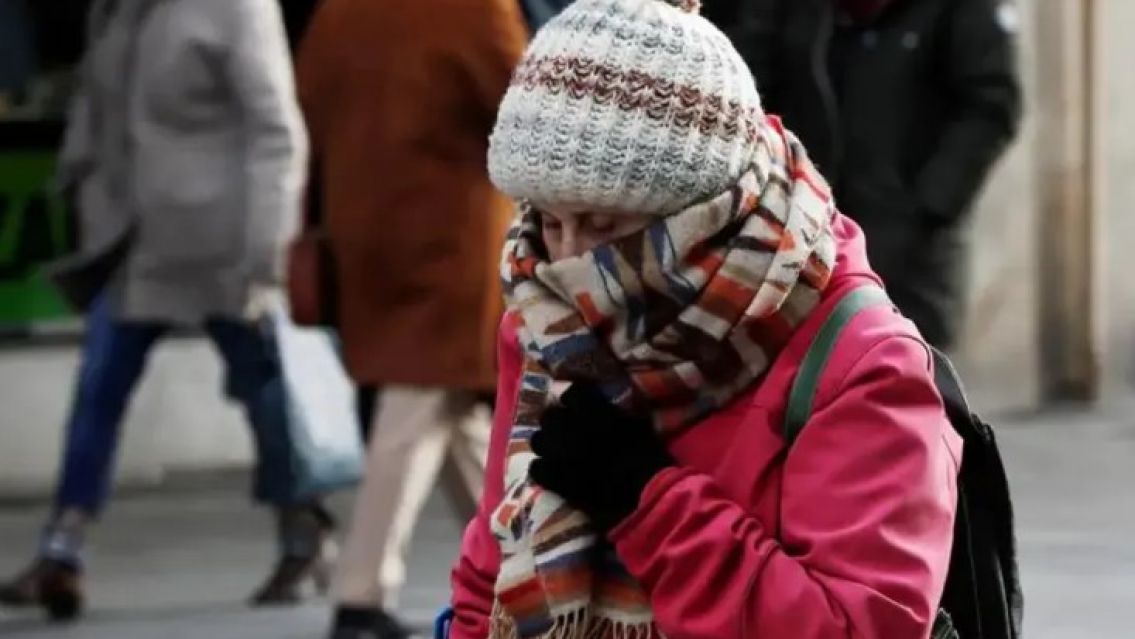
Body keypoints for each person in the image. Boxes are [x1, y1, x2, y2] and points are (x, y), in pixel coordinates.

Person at [449, 1, 962, 638]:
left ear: (703, 212)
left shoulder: (862, 363)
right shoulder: (544, 316)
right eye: (551, 222)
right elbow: (487, 575)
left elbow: (859, 626)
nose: (571, 261)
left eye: (604, 225)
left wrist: (647, 502)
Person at [0, 0, 332, 621]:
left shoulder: (236, 9)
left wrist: (266, 253)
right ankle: (62, 546)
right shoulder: (120, 9)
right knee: (99, 386)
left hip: (221, 245)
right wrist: (80, 180)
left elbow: (276, 132)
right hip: (138, 241)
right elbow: (99, 103)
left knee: (266, 395)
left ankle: (302, 530)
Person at [294, 1, 527, 637]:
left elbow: (309, 98)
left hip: (364, 223)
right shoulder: (474, 7)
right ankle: (361, 591)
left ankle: (524, 566)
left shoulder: (340, 9)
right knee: (418, 396)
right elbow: (523, 107)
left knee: (454, 408)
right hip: (454, 233)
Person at [706, 0, 1022, 350]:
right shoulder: (791, 11)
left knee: (905, 367)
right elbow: (750, 84)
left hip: (907, 253)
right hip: (802, 237)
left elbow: (990, 106)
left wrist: (929, 209)